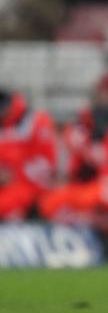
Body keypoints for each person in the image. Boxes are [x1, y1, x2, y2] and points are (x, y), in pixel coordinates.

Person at [39, 74, 108, 223]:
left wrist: (90, 144)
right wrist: (86, 135)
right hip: (94, 184)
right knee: (50, 202)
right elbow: (71, 142)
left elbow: (105, 156)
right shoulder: (87, 118)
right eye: (101, 95)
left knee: (68, 202)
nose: (104, 100)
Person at [0, 89, 57, 220]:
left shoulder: (38, 122)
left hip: (31, 185)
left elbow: (47, 164)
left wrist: (15, 173)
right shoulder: (5, 124)